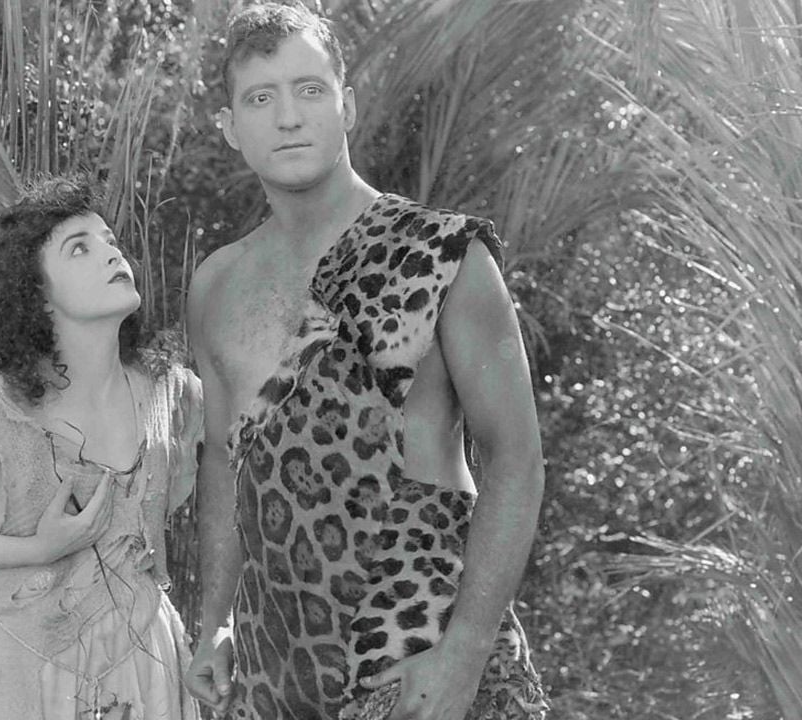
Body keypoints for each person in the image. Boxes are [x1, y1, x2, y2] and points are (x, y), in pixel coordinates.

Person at [181, 4, 549, 720]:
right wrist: (215, 622)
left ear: (346, 105)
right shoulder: (216, 286)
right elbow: (225, 462)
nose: (289, 117)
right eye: (260, 98)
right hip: (277, 662)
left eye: (309, 90)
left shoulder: (441, 252)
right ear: (229, 126)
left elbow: (517, 460)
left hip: (421, 651)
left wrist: (465, 652)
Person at [0, 175, 203, 720]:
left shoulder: (171, 393)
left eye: (110, 241)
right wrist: (38, 548)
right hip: (23, 674)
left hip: (145, 669)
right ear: (37, 295)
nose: (111, 255)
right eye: (80, 248)